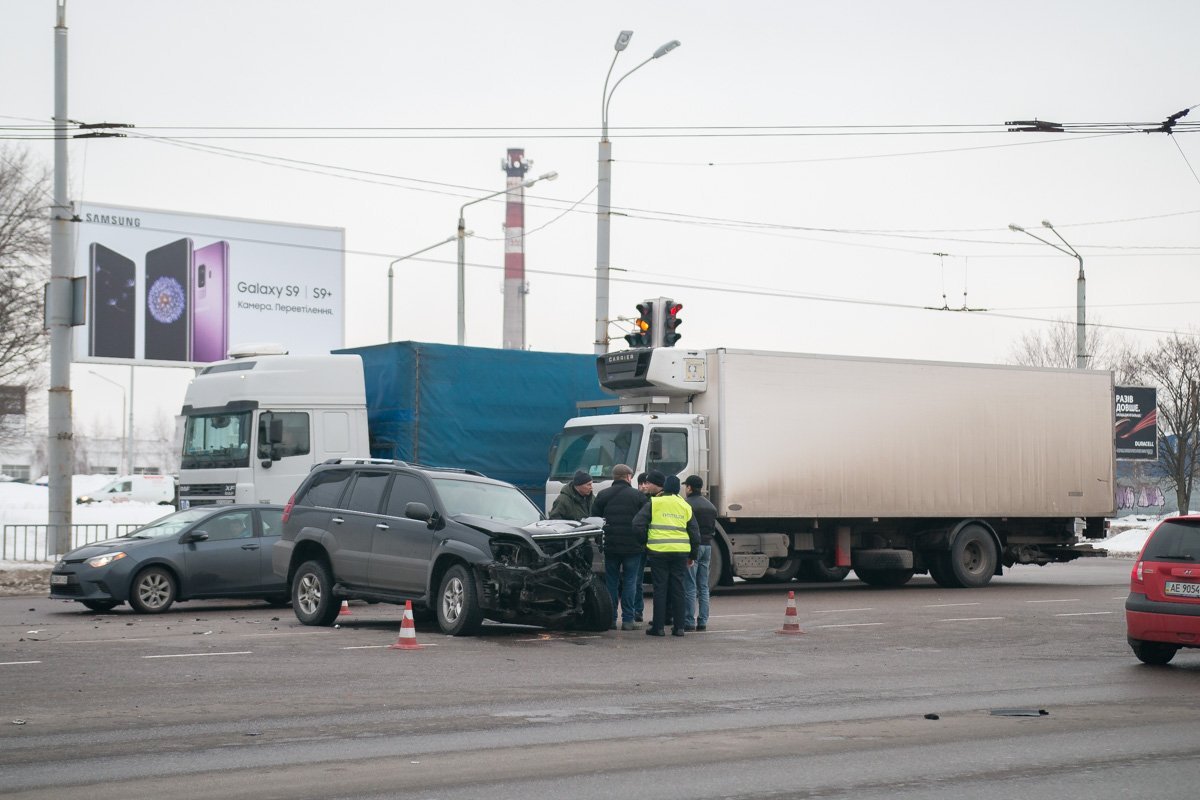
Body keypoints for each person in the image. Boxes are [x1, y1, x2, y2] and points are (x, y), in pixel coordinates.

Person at [632, 471, 699, 637]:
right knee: (678, 588)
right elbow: (695, 533)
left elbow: (637, 524)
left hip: (658, 552)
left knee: (660, 589)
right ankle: (679, 628)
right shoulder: (685, 505)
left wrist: (645, 542)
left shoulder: (655, 503)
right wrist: (693, 555)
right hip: (680, 553)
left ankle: (659, 627)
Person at [592, 463, 648, 630]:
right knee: (631, 582)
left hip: (611, 546)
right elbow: (645, 520)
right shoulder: (638, 496)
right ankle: (628, 620)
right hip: (633, 547)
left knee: (611, 581)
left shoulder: (603, 495)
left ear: (614, 477)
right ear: (629, 477)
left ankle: (610, 619)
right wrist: (642, 541)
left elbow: (594, 520)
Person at [682, 474, 718, 632]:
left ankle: (689, 621)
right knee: (703, 586)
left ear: (689, 487)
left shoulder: (686, 505)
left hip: (693, 548)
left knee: (690, 586)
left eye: (686, 486)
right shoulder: (711, 506)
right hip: (708, 547)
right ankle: (702, 621)